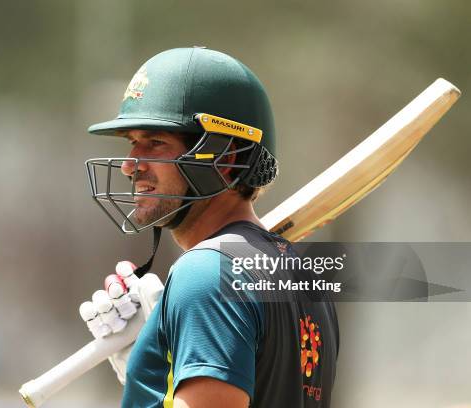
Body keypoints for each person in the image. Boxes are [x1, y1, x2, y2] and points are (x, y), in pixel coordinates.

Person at [80, 47, 339, 407]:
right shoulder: (304, 278)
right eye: (132, 144)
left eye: (155, 143)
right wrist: (161, 367)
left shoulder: (205, 274)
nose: (129, 166)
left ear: (224, 157)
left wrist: (160, 385)